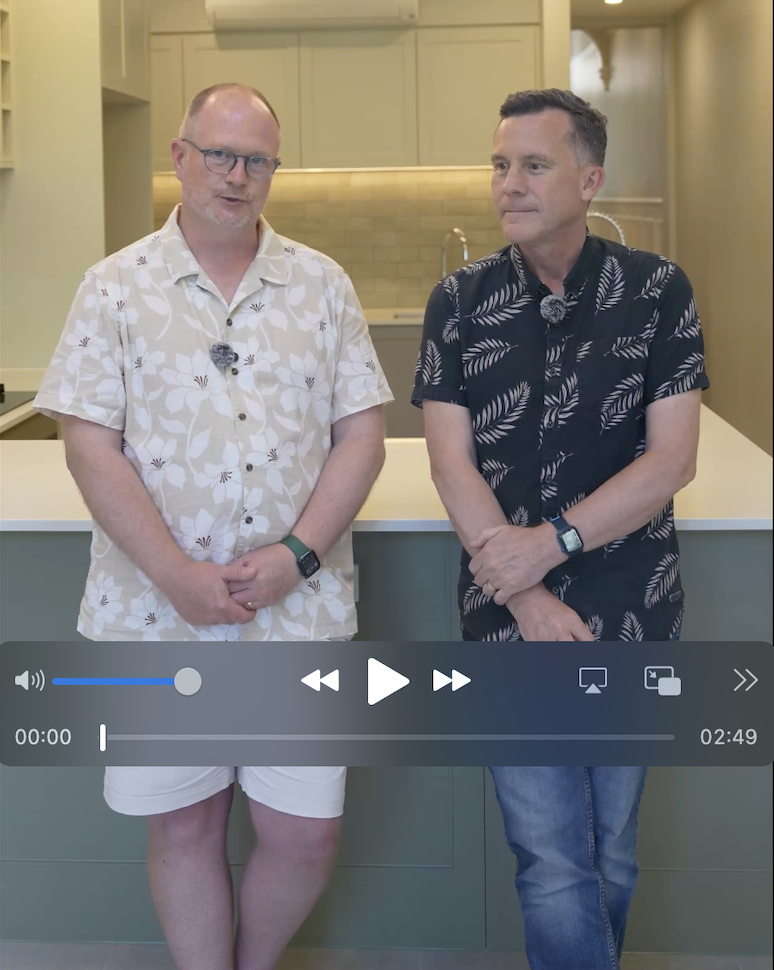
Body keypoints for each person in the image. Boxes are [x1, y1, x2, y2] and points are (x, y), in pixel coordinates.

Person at [33, 83, 393, 970]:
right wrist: (174, 574)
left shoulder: (322, 284)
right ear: (180, 155)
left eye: (257, 160)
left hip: (297, 619)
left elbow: (363, 436)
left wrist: (297, 556)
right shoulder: (114, 287)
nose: (237, 176)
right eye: (220, 155)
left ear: (274, 169)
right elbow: (88, 446)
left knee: (304, 832)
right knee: (185, 823)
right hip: (154, 618)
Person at [411, 88, 709, 969]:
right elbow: (450, 464)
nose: (509, 183)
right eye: (500, 165)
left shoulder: (657, 290)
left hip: (631, 605)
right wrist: (528, 594)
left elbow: (672, 461)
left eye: (534, 165)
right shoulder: (457, 300)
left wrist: (551, 544)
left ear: (590, 180)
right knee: (549, 858)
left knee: (610, 852)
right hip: (507, 615)